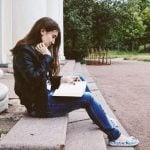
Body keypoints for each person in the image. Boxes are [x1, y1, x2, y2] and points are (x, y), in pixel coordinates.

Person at [11, 17, 139, 147]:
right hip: (39, 106)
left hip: (44, 96)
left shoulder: (36, 50)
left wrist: (62, 79)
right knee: (87, 98)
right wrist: (47, 57)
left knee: (79, 78)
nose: (54, 41)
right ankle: (115, 136)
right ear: (43, 31)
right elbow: (34, 79)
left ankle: (101, 116)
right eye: (53, 36)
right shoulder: (24, 51)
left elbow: (44, 79)